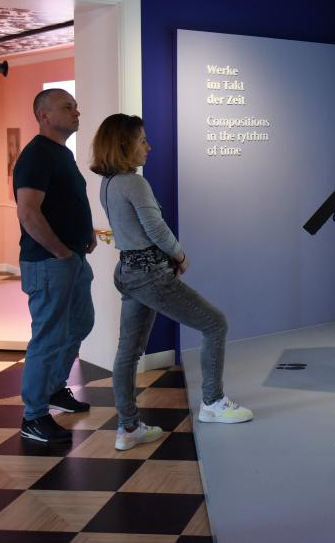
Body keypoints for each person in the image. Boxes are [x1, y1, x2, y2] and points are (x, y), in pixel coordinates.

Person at [90, 113, 251, 452]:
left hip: (129, 272)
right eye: (142, 140)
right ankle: (213, 402)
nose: (149, 146)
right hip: (151, 274)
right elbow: (156, 228)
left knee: (128, 351)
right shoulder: (134, 183)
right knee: (215, 324)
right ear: (124, 145)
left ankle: (128, 427)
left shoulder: (109, 183)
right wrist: (180, 255)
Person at [14, 88, 97, 443]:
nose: (76, 111)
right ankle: (33, 417)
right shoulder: (36, 155)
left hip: (72, 258)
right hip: (50, 262)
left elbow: (66, 202)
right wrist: (61, 252)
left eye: (76, 106)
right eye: (67, 107)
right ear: (44, 115)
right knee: (48, 337)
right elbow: (28, 212)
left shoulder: (61, 153)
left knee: (81, 322)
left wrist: (84, 233)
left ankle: (53, 388)